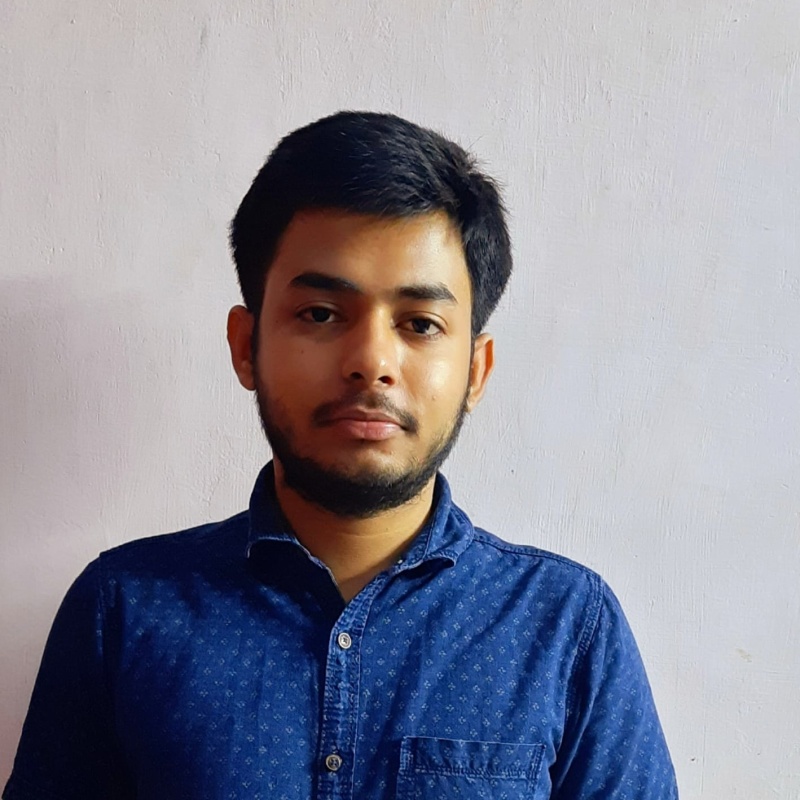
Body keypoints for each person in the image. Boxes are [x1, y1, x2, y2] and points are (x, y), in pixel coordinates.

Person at [4, 111, 678, 799]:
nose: (371, 361)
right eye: (321, 314)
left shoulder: (565, 626)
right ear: (245, 346)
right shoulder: (124, 610)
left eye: (420, 324)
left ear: (476, 371)